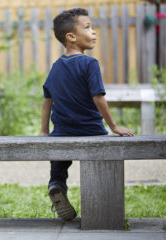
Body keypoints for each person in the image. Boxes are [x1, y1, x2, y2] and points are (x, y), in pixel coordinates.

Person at [40, 8, 134, 221]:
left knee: (59, 163)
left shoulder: (56, 67)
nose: (94, 32)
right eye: (88, 27)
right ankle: (101, 207)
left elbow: (47, 101)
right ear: (71, 37)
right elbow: (98, 98)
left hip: (61, 132)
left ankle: (56, 184)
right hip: (91, 131)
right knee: (101, 160)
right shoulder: (89, 63)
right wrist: (114, 127)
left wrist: (45, 131)